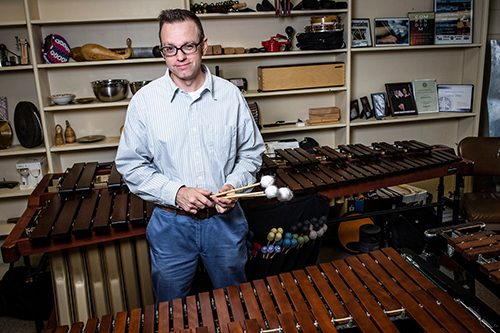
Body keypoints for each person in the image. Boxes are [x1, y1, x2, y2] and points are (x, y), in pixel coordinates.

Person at [115, 8, 265, 304]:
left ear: (203, 46)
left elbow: (250, 153)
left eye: (188, 46)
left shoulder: (230, 95)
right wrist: (177, 192)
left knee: (234, 304)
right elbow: (131, 166)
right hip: (171, 225)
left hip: (225, 223)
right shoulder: (145, 101)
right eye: (170, 49)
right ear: (162, 51)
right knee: (171, 310)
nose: (179, 56)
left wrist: (234, 185)